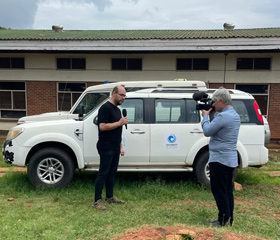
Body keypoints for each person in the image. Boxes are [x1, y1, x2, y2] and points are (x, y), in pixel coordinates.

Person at [201, 87, 240, 227]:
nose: (213, 104)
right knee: (227, 190)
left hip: (219, 160)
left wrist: (205, 116)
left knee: (219, 191)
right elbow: (218, 126)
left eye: (214, 102)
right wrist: (211, 114)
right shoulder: (233, 114)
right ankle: (229, 219)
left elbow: (207, 131)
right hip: (230, 159)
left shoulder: (224, 116)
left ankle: (222, 220)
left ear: (221, 100)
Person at [93, 85, 128, 210]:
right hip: (106, 146)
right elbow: (102, 127)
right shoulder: (105, 108)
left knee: (112, 173)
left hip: (114, 146)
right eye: (121, 95)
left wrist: (120, 146)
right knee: (103, 173)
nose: (123, 98)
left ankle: (109, 196)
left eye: (125, 96)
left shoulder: (117, 110)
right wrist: (120, 122)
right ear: (114, 93)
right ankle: (97, 201)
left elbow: (117, 131)